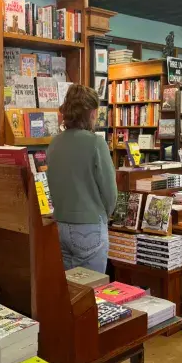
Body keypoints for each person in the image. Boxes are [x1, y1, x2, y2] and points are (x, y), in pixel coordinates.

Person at [46, 84, 117, 272]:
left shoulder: (55, 143)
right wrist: (103, 216)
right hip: (90, 226)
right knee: (91, 292)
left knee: (70, 292)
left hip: (61, 225)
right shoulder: (96, 143)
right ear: (92, 113)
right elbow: (110, 194)